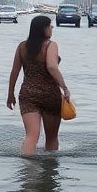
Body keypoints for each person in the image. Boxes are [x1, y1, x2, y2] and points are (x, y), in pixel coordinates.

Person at [7, 15, 71, 155]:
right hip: (50, 95)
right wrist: (65, 88)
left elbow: (15, 71)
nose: (52, 29)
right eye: (50, 26)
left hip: (28, 95)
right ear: (44, 29)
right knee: (51, 138)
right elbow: (52, 67)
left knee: (31, 136)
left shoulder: (22, 46)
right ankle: (50, 171)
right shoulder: (50, 45)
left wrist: (10, 93)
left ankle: (28, 171)